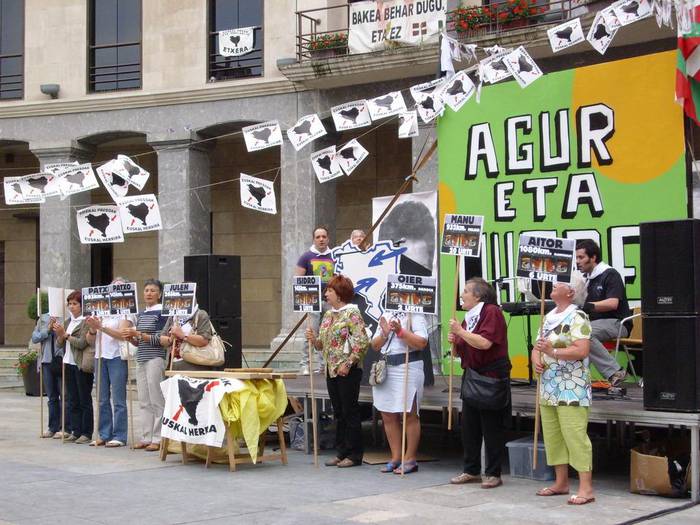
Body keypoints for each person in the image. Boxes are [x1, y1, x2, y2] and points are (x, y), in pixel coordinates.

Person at [532, 273, 595, 505]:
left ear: (570, 292)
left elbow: (582, 349)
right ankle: (561, 482)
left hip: (572, 387)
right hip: (549, 385)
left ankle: (586, 487)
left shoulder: (578, 316)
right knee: (553, 435)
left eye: (558, 283)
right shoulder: (547, 316)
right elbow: (537, 346)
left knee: (575, 435)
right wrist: (536, 358)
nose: (552, 285)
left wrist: (552, 353)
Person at [448, 277, 510, 489]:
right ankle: (471, 470)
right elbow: (462, 347)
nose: (461, 295)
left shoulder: (491, 312)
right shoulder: (469, 317)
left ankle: (493, 473)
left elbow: (484, 343)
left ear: (478, 296)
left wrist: (460, 332)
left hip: (490, 377)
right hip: (472, 375)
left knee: (491, 428)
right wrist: (455, 341)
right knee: (469, 427)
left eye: (465, 291)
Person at [305, 275, 369, 468]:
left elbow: (362, 341)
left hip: (347, 370)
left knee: (350, 411)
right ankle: (341, 451)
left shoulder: (352, 314)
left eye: (330, 291)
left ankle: (355, 453)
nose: (326, 294)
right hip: (331, 369)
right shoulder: (328, 315)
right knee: (339, 412)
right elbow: (322, 345)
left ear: (340, 294)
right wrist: (314, 339)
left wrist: (348, 363)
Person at [370, 311, 428, 474]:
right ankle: (396, 456)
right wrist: (384, 334)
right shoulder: (386, 313)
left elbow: (422, 342)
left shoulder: (415, 314)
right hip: (387, 366)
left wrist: (401, 331)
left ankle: (410, 458)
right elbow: (374, 345)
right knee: (387, 414)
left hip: (408, 365)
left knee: (409, 413)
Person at [86, 277, 133, 448]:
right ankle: (104, 434)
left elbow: (123, 334)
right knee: (101, 398)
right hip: (100, 356)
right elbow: (90, 340)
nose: (116, 292)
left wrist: (102, 327)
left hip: (116, 357)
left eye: (120, 288)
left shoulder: (126, 311)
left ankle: (119, 435)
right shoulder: (101, 310)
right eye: (113, 288)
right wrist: (92, 328)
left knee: (118, 398)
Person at [575, 239, 630, 387]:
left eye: (581, 257)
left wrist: (586, 306)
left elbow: (613, 304)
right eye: (576, 258)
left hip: (617, 322)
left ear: (593, 258)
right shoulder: (587, 279)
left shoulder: (610, 274)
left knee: (585, 333)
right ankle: (575, 378)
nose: (577, 262)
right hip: (595, 322)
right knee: (571, 332)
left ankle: (615, 371)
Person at [121, 279, 168, 451]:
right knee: (144, 400)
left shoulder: (163, 313)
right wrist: (132, 338)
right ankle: (146, 436)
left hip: (156, 358)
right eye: (146, 290)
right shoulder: (140, 314)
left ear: (160, 294)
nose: (148, 293)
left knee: (156, 398)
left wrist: (138, 334)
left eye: (153, 290)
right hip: (141, 357)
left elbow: (161, 339)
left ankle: (158, 437)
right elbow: (139, 342)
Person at [53, 291, 93, 444]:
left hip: (80, 363)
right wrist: (60, 334)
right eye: (70, 304)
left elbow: (83, 343)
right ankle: (75, 430)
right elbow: (58, 344)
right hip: (68, 362)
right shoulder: (68, 321)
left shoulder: (86, 321)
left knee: (84, 398)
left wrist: (67, 336)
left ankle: (86, 432)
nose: (72, 307)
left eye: (75, 304)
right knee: (72, 399)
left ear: (82, 306)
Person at [296, 226, 335, 375]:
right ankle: (304, 364)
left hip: (329, 301)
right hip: (311, 300)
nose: (321, 239)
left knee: (327, 332)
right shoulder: (306, 257)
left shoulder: (334, 256)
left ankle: (323, 364)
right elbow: (298, 279)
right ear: (314, 239)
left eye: (324, 236)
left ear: (328, 238)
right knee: (311, 332)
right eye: (318, 237)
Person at [32, 300, 65, 439]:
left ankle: (64, 427)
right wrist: (48, 329)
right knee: (51, 397)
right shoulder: (43, 318)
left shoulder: (65, 317)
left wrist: (58, 330)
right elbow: (35, 338)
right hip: (46, 361)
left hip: (61, 360)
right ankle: (52, 427)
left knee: (64, 396)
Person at [160, 304, 213, 372]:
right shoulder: (173, 316)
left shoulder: (200, 314)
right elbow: (161, 340)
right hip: (173, 366)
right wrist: (171, 338)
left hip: (194, 366)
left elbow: (204, 340)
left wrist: (183, 336)